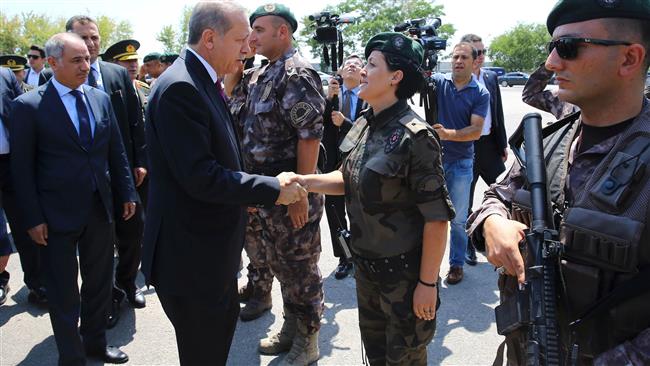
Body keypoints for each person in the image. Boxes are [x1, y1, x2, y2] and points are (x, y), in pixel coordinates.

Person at [467, 0, 650, 364]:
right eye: (551, 48)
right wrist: (492, 223)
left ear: (629, 59)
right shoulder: (552, 142)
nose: (551, 63)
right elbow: (496, 195)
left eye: (568, 48)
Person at [140, 2, 307, 365]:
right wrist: (272, 188)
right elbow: (201, 177)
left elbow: (219, 158)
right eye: (240, 40)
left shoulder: (200, 80)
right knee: (205, 352)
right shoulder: (181, 88)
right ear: (210, 38)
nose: (248, 48)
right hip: (192, 261)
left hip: (207, 254)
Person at [298, 32, 454, 366]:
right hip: (367, 271)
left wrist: (427, 283)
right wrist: (304, 181)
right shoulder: (366, 123)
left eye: (371, 64)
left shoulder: (417, 136)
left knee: (404, 358)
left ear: (396, 77)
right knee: (376, 356)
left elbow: (437, 217)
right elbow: (348, 178)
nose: (361, 71)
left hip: (404, 278)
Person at [9, 32, 138, 365]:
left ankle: (95, 343)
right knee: (64, 291)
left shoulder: (99, 98)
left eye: (87, 57)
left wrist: (126, 191)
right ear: (53, 63)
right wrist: (32, 218)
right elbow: (20, 170)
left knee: (98, 284)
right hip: (55, 216)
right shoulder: (28, 106)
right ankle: (71, 355)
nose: (86, 65)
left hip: (99, 208)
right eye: (77, 59)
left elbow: (116, 151)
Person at [227, 5, 326, 364]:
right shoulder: (259, 74)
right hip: (268, 194)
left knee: (301, 269)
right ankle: (291, 327)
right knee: (281, 266)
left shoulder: (297, 74)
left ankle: (309, 339)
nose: (251, 36)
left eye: (259, 29)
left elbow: (309, 136)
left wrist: (300, 193)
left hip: (291, 194)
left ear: (282, 32)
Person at [67, 15, 148, 323]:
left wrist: (140, 161)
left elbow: (134, 122)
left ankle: (127, 282)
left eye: (94, 38)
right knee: (98, 245)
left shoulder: (116, 74)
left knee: (132, 232)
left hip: (124, 174)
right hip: (86, 181)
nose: (90, 44)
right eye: (83, 38)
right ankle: (107, 296)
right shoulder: (57, 78)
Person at [431, 42, 489, 285]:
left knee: (457, 218)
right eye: (455, 56)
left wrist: (448, 134)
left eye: (464, 57)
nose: (458, 61)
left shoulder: (480, 93)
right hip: (433, 160)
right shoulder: (438, 83)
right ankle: (428, 267)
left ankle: (456, 265)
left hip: (462, 162)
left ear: (474, 62)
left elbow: (476, 131)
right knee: (430, 216)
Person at [459, 34, 508, 267]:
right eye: (475, 53)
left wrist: (502, 145)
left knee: (505, 194)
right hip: (464, 148)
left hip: (489, 146)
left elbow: (497, 114)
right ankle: (468, 246)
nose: (480, 57)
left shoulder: (490, 77)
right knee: (464, 202)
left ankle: (504, 241)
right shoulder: (454, 81)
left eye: (482, 52)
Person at [323, 54, 365, 280]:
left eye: (357, 64)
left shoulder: (369, 96)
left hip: (359, 163)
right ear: (340, 70)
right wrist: (329, 98)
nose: (352, 65)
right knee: (335, 214)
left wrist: (345, 123)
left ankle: (362, 255)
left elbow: (369, 129)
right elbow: (319, 125)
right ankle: (344, 256)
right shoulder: (331, 95)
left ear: (363, 72)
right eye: (348, 63)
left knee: (359, 213)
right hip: (332, 164)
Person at [0, 67, 22, 306]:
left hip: (11, 163)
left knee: (26, 226)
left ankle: (38, 283)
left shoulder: (5, 75)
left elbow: (21, 112)